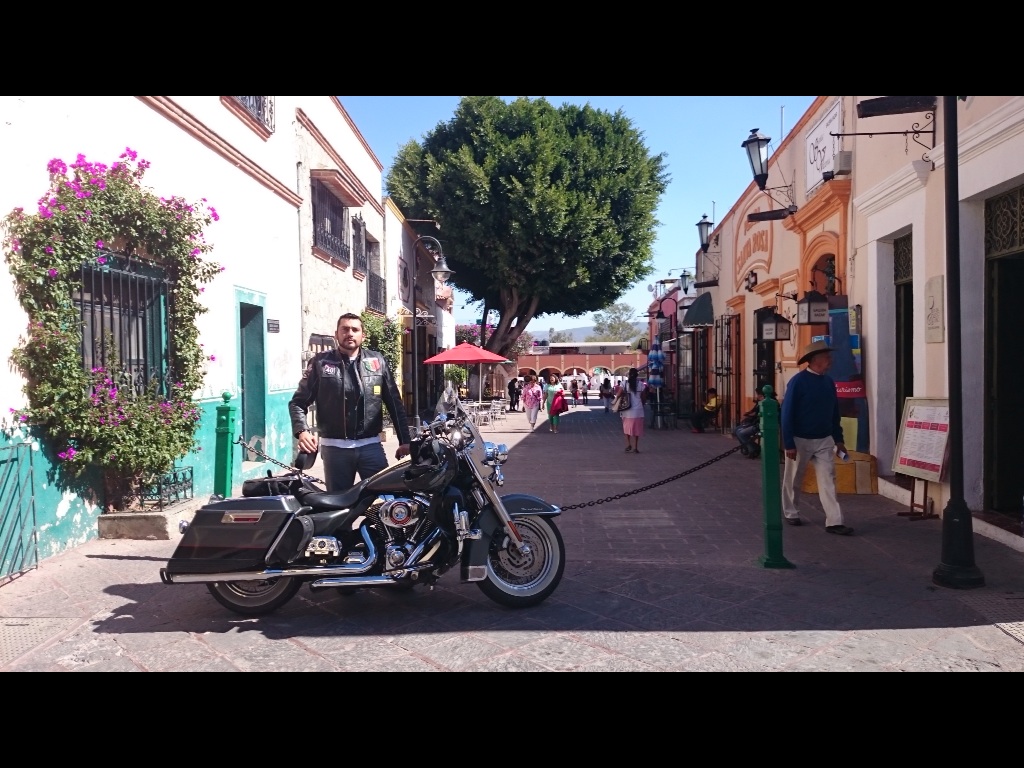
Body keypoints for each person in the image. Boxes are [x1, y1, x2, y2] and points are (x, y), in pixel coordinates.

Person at [289, 312, 411, 493]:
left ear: (363, 335)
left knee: (384, 501)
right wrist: (302, 432)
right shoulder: (320, 363)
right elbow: (298, 403)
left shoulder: (377, 361)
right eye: (345, 329)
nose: (350, 333)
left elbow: (394, 404)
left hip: (371, 447)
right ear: (336, 334)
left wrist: (405, 441)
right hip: (335, 450)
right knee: (339, 508)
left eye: (355, 329)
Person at [780, 340, 853, 536]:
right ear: (815, 360)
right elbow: (787, 414)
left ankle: (834, 520)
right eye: (827, 357)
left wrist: (838, 439)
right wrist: (788, 443)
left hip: (824, 439)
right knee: (794, 478)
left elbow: (834, 413)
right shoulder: (798, 382)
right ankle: (791, 512)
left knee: (828, 477)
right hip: (799, 439)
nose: (830, 360)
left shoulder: (828, 382)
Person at [733, 390, 776, 457]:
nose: (758, 397)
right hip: (756, 424)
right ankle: (748, 447)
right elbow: (754, 412)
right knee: (737, 430)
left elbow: (758, 415)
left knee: (741, 433)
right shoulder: (759, 403)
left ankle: (753, 449)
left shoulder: (770, 404)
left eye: (760, 395)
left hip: (759, 426)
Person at [616, 367, 648, 453]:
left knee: (626, 428)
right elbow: (644, 397)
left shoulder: (624, 383)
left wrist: (616, 401)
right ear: (637, 375)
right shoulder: (641, 384)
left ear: (629, 375)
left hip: (627, 409)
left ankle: (628, 444)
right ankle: (636, 447)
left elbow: (618, 394)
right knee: (637, 429)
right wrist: (642, 404)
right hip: (638, 410)